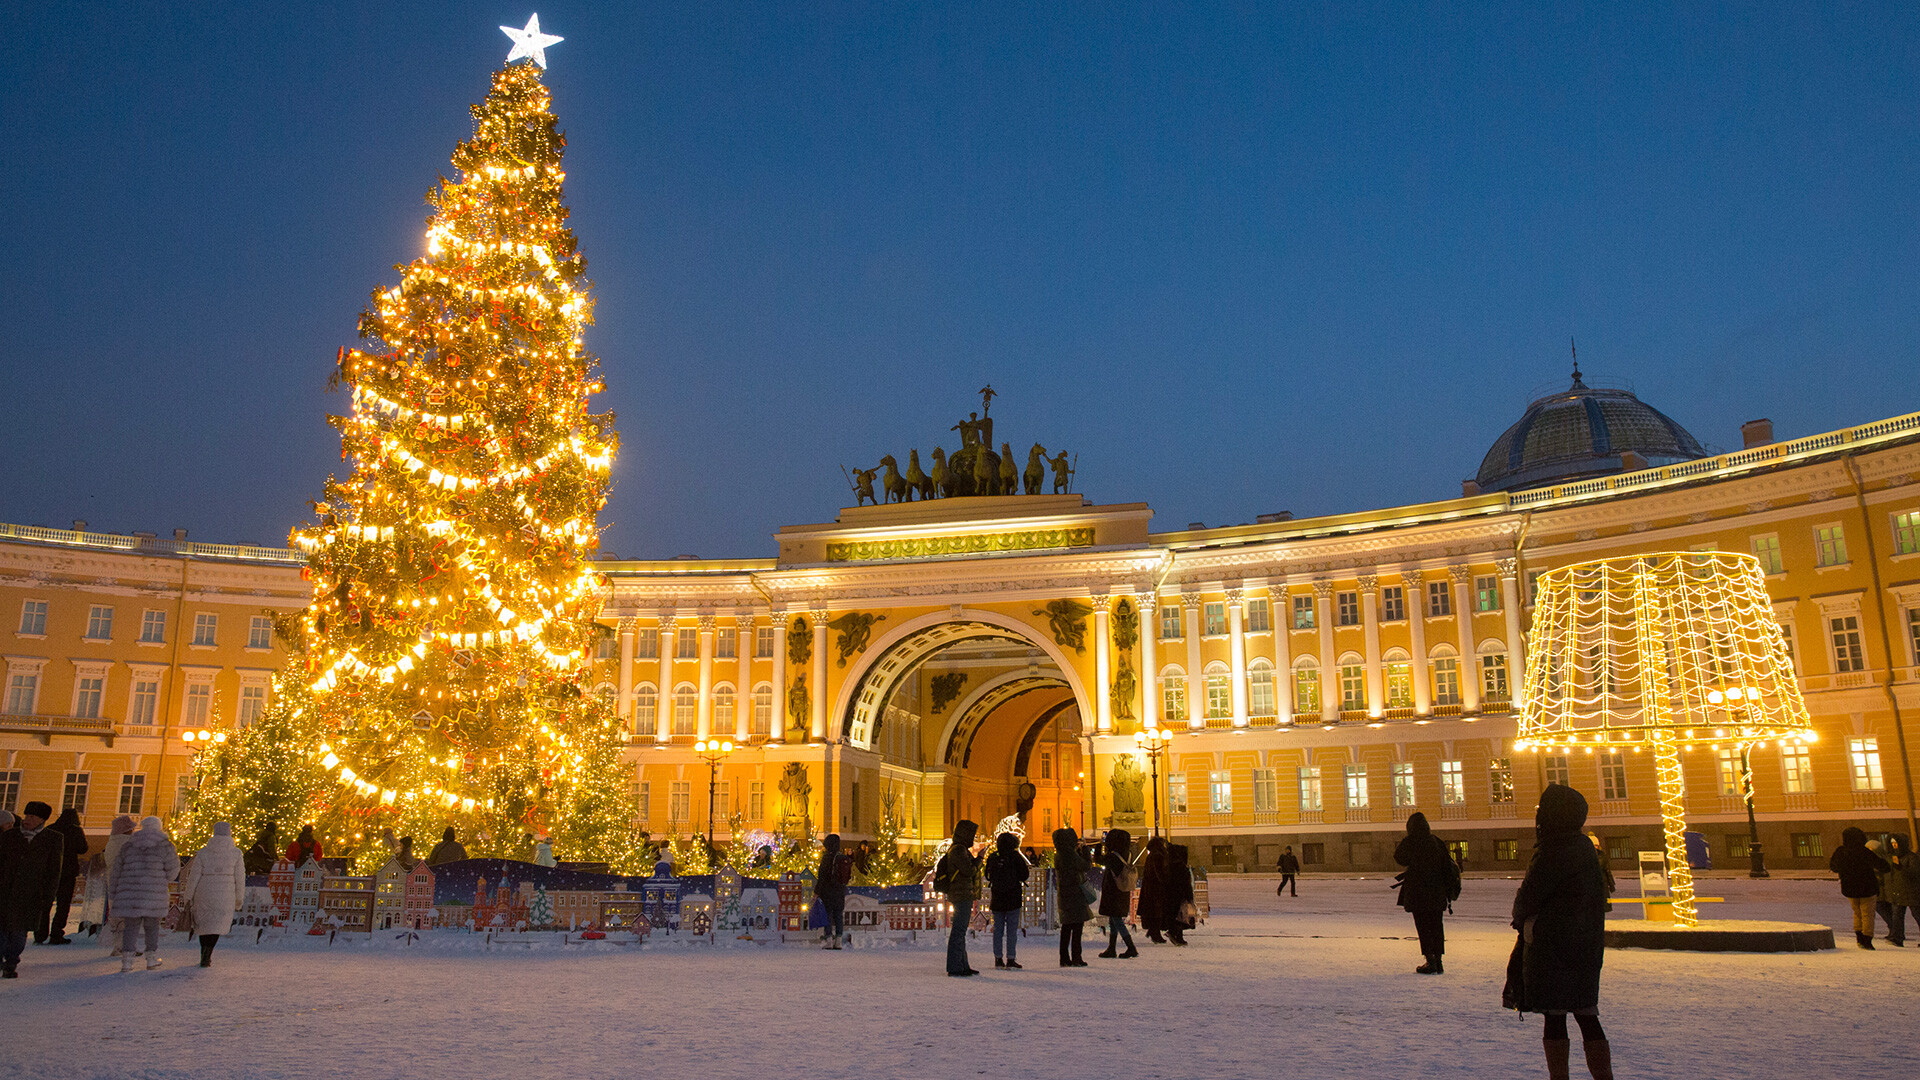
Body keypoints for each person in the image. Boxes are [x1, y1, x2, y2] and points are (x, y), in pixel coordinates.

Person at [1507, 784, 1612, 1080]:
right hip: (1586, 946)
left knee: (1555, 1018)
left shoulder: (1554, 850)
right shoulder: (1583, 846)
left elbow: (1530, 896)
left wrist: (1522, 917)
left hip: (1553, 946)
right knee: (1587, 1014)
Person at [0, 801, 65, 978]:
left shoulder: (53, 839)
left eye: (33, 817)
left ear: (42, 820)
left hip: (31, 894)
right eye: (27, 815)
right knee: (2, 930)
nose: (27, 819)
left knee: (19, 932)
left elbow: (54, 871)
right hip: (5, 891)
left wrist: (48, 896)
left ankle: (11, 962)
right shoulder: (10, 836)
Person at [110, 816, 179, 972]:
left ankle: (127, 961)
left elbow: (116, 871)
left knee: (131, 926)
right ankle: (151, 958)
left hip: (130, 893)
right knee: (152, 926)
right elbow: (173, 873)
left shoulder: (128, 846)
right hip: (153, 893)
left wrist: (114, 893)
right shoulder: (165, 846)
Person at [1394, 812, 1455, 974]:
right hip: (1437, 892)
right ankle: (1439, 961)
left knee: (1423, 927)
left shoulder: (1412, 842)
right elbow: (1447, 867)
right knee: (1436, 926)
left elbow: (1399, 858)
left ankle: (1430, 961)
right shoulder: (1436, 842)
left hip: (1418, 894)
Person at [181, 822, 246, 968]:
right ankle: (208, 954)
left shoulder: (203, 852)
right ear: (229, 833)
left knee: (204, 924)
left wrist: (188, 896)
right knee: (216, 925)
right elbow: (240, 878)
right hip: (225, 894)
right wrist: (239, 898)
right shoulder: (236, 853)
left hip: (204, 891)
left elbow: (194, 876)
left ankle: (203, 951)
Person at [936, 820, 985, 976]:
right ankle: (956, 966)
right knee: (959, 931)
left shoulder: (959, 849)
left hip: (962, 894)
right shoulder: (958, 850)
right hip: (961, 894)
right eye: (972, 834)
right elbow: (969, 870)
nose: (973, 838)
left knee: (960, 931)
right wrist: (979, 859)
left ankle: (962, 965)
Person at [1831, 826, 1889, 949]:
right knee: (1867, 915)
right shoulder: (1864, 851)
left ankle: (1859, 937)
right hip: (1867, 887)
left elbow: (1834, 867)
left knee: (1857, 913)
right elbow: (1883, 866)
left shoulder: (1841, 851)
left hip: (1850, 888)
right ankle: (1867, 940)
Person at [983, 831, 1029, 969]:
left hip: (997, 897)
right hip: (1013, 897)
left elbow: (987, 875)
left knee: (998, 929)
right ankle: (1010, 959)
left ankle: (998, 958)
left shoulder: (993, 857)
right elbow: (1024, 875)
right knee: (1011, 930)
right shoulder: (1016, 857)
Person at [46, 807, 89, 944]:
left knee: (46, 902)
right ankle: (56, 933)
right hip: (68, 871)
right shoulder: (75, 830)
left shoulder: (51, 828)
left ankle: (40, 932)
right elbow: (83, 849)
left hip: (50, 870)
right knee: (63, 904)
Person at [1052, 827, 1093, 967]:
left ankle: (1064, 958)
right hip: (1075, 894)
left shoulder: (1059, 854)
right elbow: (1086, 866)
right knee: (1077, 927)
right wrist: (1085, 852)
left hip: (1064, 894)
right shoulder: (1070, 854)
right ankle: (1077, 957)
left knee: (1066, 927)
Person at [1097, 828, 1139, 959]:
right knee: (1114, 919)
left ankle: (1131, 947)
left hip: (1113, 892)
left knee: (1116, 920)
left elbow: (1099, 859)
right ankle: (1111, 948)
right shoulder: (1128, 853)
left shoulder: (1113, 857)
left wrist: (1099, 846)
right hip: (1123, 890)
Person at [102, 815, 135, 956]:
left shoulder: (110, 843)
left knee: (116, 916)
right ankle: (125, 947)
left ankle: (117, 946)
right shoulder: (128, 844)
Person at [1879, 835, 1919, 947]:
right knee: (1897, 916)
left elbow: (1914, 874)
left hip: (1911, 893)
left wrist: (1900, 867)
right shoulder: (1890, 858)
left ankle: (1896, 937)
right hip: (1897, 893)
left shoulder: (1911, 858)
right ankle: (1897, 938)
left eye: (1896, 844)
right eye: (1892, 844)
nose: (1894, 846)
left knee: (1917, 915)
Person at [814, 833, 850, 949]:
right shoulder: (842, 857)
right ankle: (838, 940)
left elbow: (822, 877)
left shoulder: (827, 858)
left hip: (828, 891)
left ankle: (829, 939)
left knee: (828, 915)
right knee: (838, 915)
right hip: (839, 891)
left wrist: (816, 892)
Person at [1137, 836, 1171, 944]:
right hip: (1156, 888)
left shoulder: (1151, 855)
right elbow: (1159, 873)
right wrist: (1165, 881)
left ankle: (1153, 931)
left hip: (1150, 888)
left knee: (1153, 911)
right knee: (1157, 911)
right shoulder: (1158, 856)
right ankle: (1155, 933)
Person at [1164, 843, 1196, 946]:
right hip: (1180, 895)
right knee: (1180, 916)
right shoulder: (1181, 866)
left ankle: (1177, 935)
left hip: (1172, 895)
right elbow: (1185, 884)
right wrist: (1189, 897)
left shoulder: (1170, 865)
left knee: (1177, 916)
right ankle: (1175, 934)